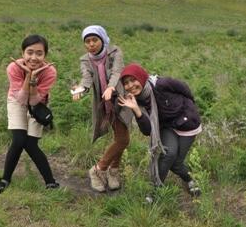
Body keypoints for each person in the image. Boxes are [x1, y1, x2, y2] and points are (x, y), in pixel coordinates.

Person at [117, 63, 202, 197]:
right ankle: (155, 190)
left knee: (176, 164)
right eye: (126, 83)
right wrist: (136, 110)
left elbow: (184, 88)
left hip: (187, 124)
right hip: (167, 126)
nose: (130, 85)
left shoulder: (161, 84)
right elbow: (147, 130)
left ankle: (190, 180)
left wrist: (190, 106)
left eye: (133, 80)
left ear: (141, 77)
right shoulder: (136, 101)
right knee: (168, 155)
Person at [0, 34, 59, 194]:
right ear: (22, 53)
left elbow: (34, 102)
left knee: (31, 144)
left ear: (45, 55)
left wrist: (33, 78)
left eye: (39, 53)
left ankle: (50, 182)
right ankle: (5, 180)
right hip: (16, 101)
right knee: (19, 139)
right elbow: (21, 99)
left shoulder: (50, 72)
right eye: (30, 52)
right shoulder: (13, 68)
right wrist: (28, 75)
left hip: (38, 104)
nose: (34, 57)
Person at [72, 25, 131, 192]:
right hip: (104, 103)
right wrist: (81, 90)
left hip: (120, 99)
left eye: (94, 40)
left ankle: (106, 170)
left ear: (102, 39)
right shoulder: (85, 60)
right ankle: (102, 170)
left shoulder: (115, 52)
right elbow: (86, 78)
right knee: (122, 139)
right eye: (87, 41)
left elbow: (117, 72)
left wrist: (111, 87)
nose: (91, 44)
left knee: (122, 138)